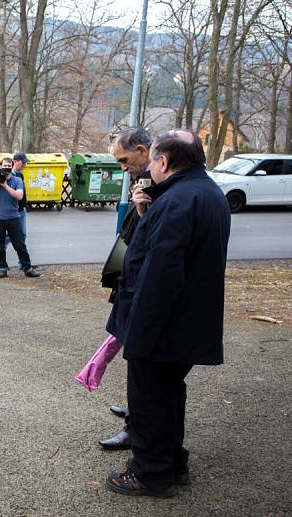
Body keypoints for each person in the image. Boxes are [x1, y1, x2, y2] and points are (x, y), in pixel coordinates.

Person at [104, 130, 231, 498]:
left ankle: (150, 473)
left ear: (162, 161)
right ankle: (173, 463)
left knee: (149, 402)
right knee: (168, 396)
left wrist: (140, 335)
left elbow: (161, 274)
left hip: (164, 325)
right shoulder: (207, 193)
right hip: (186, 322)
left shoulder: (177, 200)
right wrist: (145, 213)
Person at [98, 127, 154, 452]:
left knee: (141, 365)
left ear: (143, 150)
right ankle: (134, 412)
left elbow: (150, 240)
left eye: (124, 159)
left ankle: (135, 426)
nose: (122, 167)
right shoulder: (142, 183)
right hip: (128, 285)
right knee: (134, 362)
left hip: (141, 292)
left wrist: (144, 210)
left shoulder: (158, 186)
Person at [0, 157, 40, 279]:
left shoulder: (17, 180)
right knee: (0, 246)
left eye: (8, 166)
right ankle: (2, 268)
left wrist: (5, 186)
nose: (6, 168)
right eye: (4, 166)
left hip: (14, 218)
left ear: (11, 166)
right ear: (0, 167)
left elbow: (19, 196)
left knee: (20, 245)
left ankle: (27, 268)